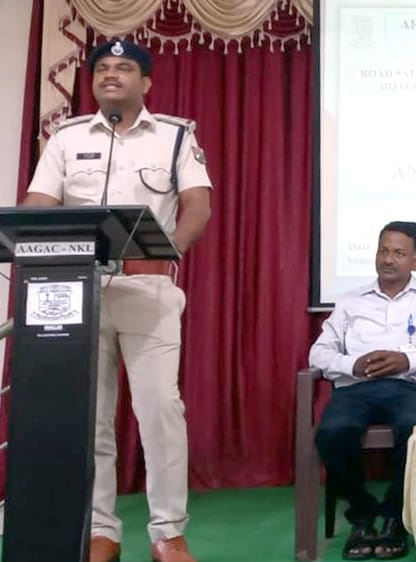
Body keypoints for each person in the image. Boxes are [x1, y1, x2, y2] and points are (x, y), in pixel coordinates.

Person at [23, 40, 212, 562]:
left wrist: (169, 252)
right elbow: (40, 202)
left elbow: (198, 204)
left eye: (124, 68)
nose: (111, 74)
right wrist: (27, 229)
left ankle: (168, 533)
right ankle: (101, 531)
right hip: (76, 292)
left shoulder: (175, 135)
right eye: (102, 68)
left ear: (145, 82)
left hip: (146, 289)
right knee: (92, 417)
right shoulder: (66, 137)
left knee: (160, 410)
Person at [310, 221, 416, 559]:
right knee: (333, 433)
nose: (388, 259)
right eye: (383, 251)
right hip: (356, 388)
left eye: (399, 253)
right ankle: (362, 513)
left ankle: (395, 516)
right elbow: (318, 353)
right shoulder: (351, 300)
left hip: (409, 387)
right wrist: (352, 364)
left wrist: (406, 361)